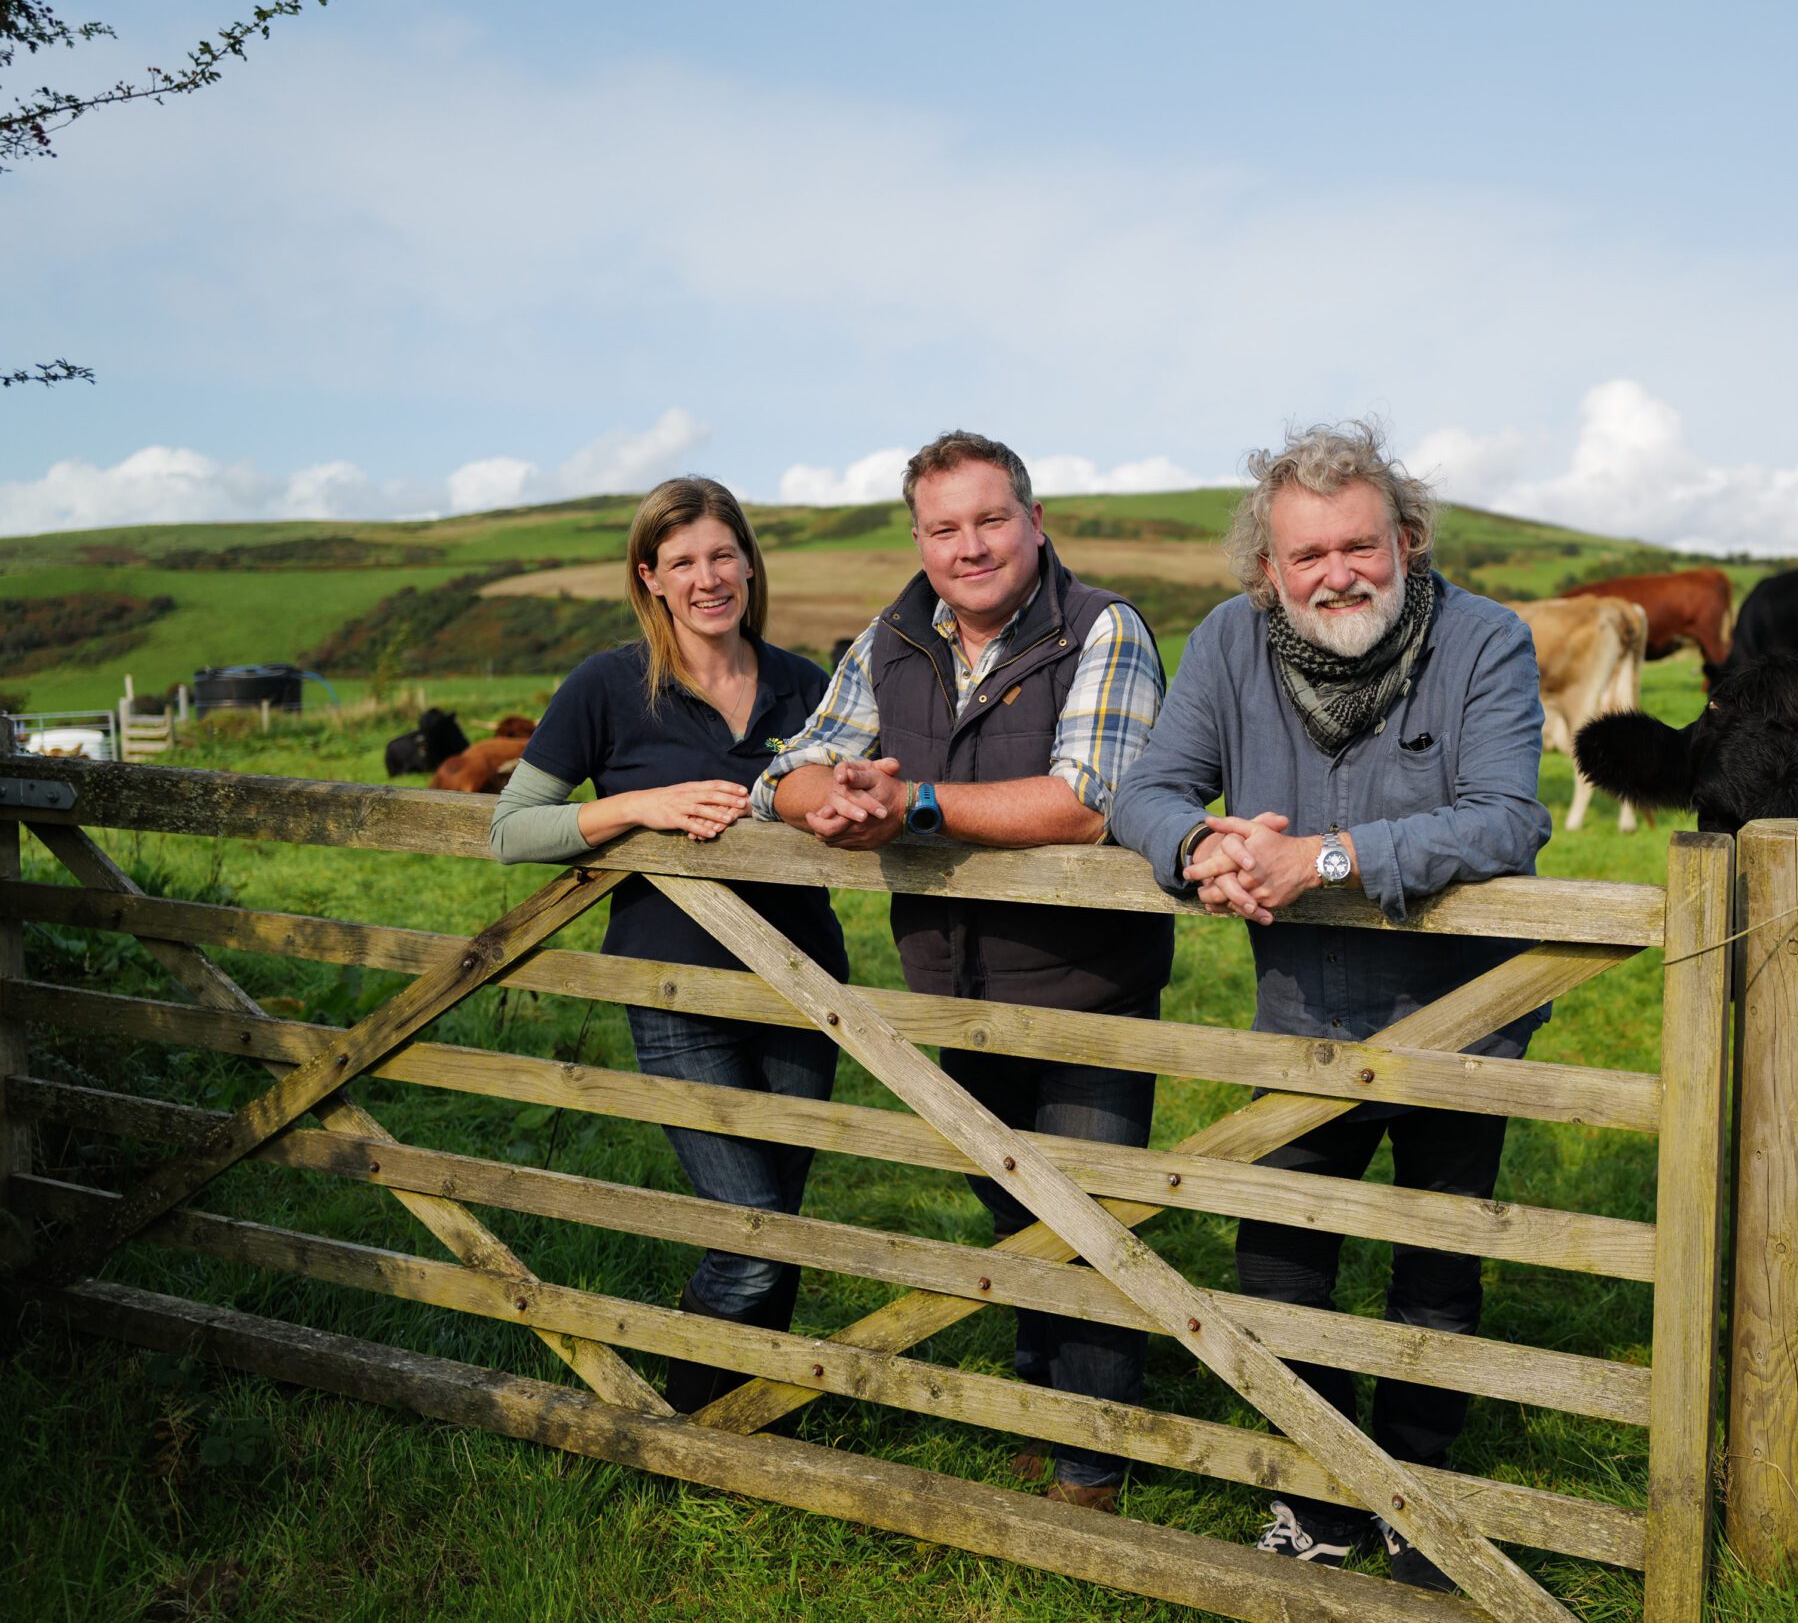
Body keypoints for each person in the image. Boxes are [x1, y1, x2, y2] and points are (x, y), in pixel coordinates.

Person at [1110, 420, 1550, 1589]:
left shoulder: (1485, 639)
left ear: (1405, 539)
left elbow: (1507, 816)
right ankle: (1315, 1499)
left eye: (1359, 545)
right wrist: (1199, 842)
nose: (1335, 574)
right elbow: (1145, 789)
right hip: (1303, 1016)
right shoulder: (1227, 643)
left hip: (1466, 1019)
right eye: (1306, 556)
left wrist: (1333, 857)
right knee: (1282, 1258)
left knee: (1437, 1262)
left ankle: (1419, 1498)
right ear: (1267, 568)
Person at [754, 430, 1172, 1514]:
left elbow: (1088, 796)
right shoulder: (893, 636)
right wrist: (831, 800)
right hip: (954, 981)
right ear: (919, 539)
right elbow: (793, 763)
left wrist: (916, 805)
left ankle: (1093, 1469)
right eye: (944, 527)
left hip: (1085, 985)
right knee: (1008, 1211)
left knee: (1085, 1225)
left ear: (1035, 522)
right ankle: (1043, 1408)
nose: (969, 545)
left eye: (991, 519)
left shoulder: (1102, 628)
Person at [489, 476, 848, 1413]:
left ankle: (753, 1414)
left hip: (805, 993)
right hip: (679, 998)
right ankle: (689, 1416)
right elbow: (511, 829)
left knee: (782, 1219)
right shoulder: (609, 688)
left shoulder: (808, 687)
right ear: (649, 577)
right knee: (752, 1227)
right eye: (682, 561)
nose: (707, 577)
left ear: (748, 562)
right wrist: (638, 808)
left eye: (722, 554)